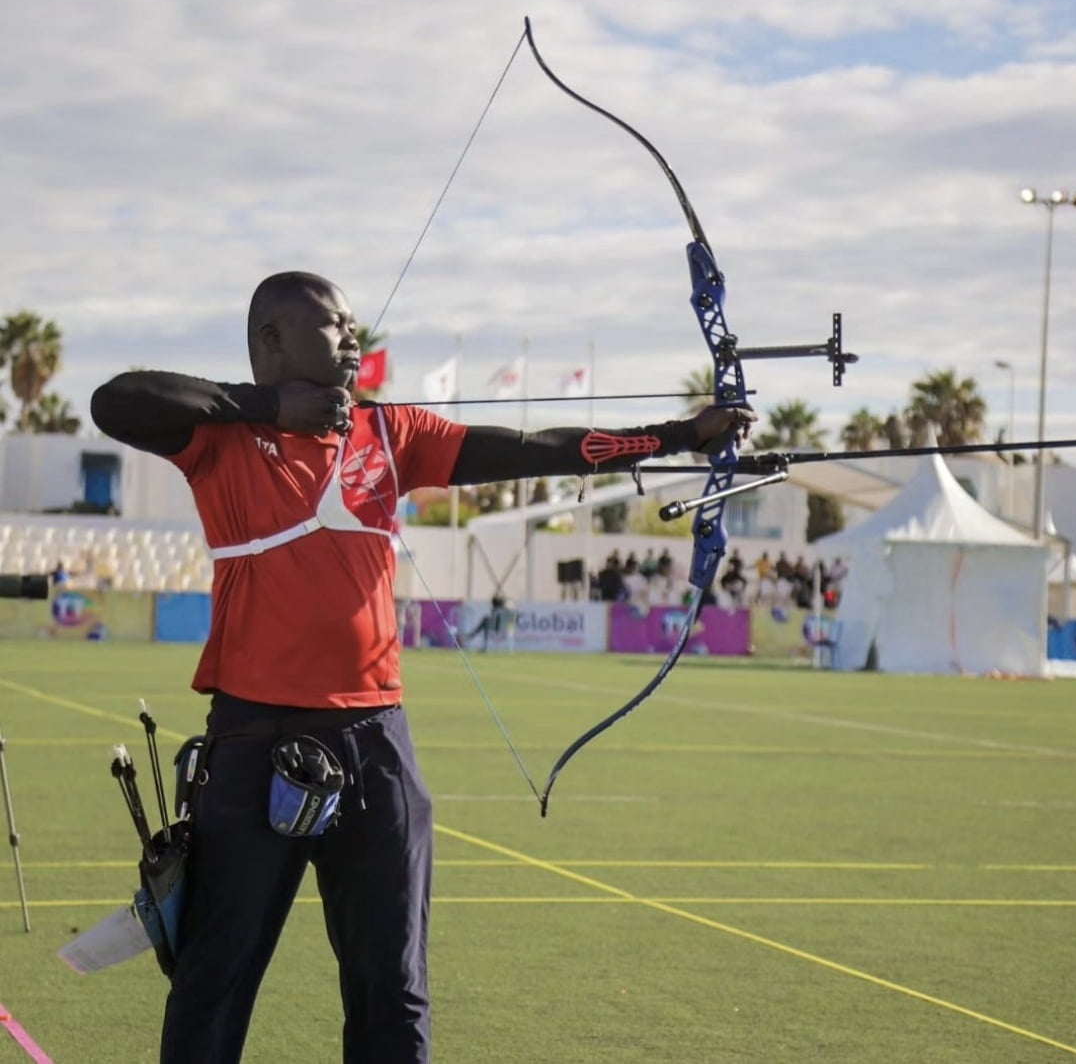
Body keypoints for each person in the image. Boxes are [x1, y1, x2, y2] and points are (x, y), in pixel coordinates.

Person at [90, 271, 756, 1064]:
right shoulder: (223, 438)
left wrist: (678, 435)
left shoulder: (389, 433)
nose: (352, 337)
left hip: (376, 740)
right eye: (333, 325)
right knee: (215, 974)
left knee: (392, 983)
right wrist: (269, 408)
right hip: (253, 736)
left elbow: (538, 449)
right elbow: (118, 400)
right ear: (271, 341)